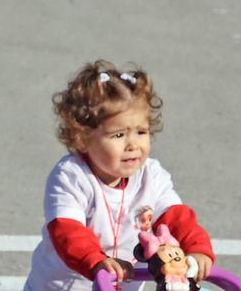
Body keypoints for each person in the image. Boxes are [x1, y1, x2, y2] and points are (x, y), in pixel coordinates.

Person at [25, 61, 216, 291]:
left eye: (141, 132)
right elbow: (67, 231)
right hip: (67, 286)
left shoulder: (151, 175)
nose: (133, 144)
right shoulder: (71, 177)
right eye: (118, 135)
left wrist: (197, 248)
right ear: (82, 139)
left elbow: (176, 219)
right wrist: (95, 260)